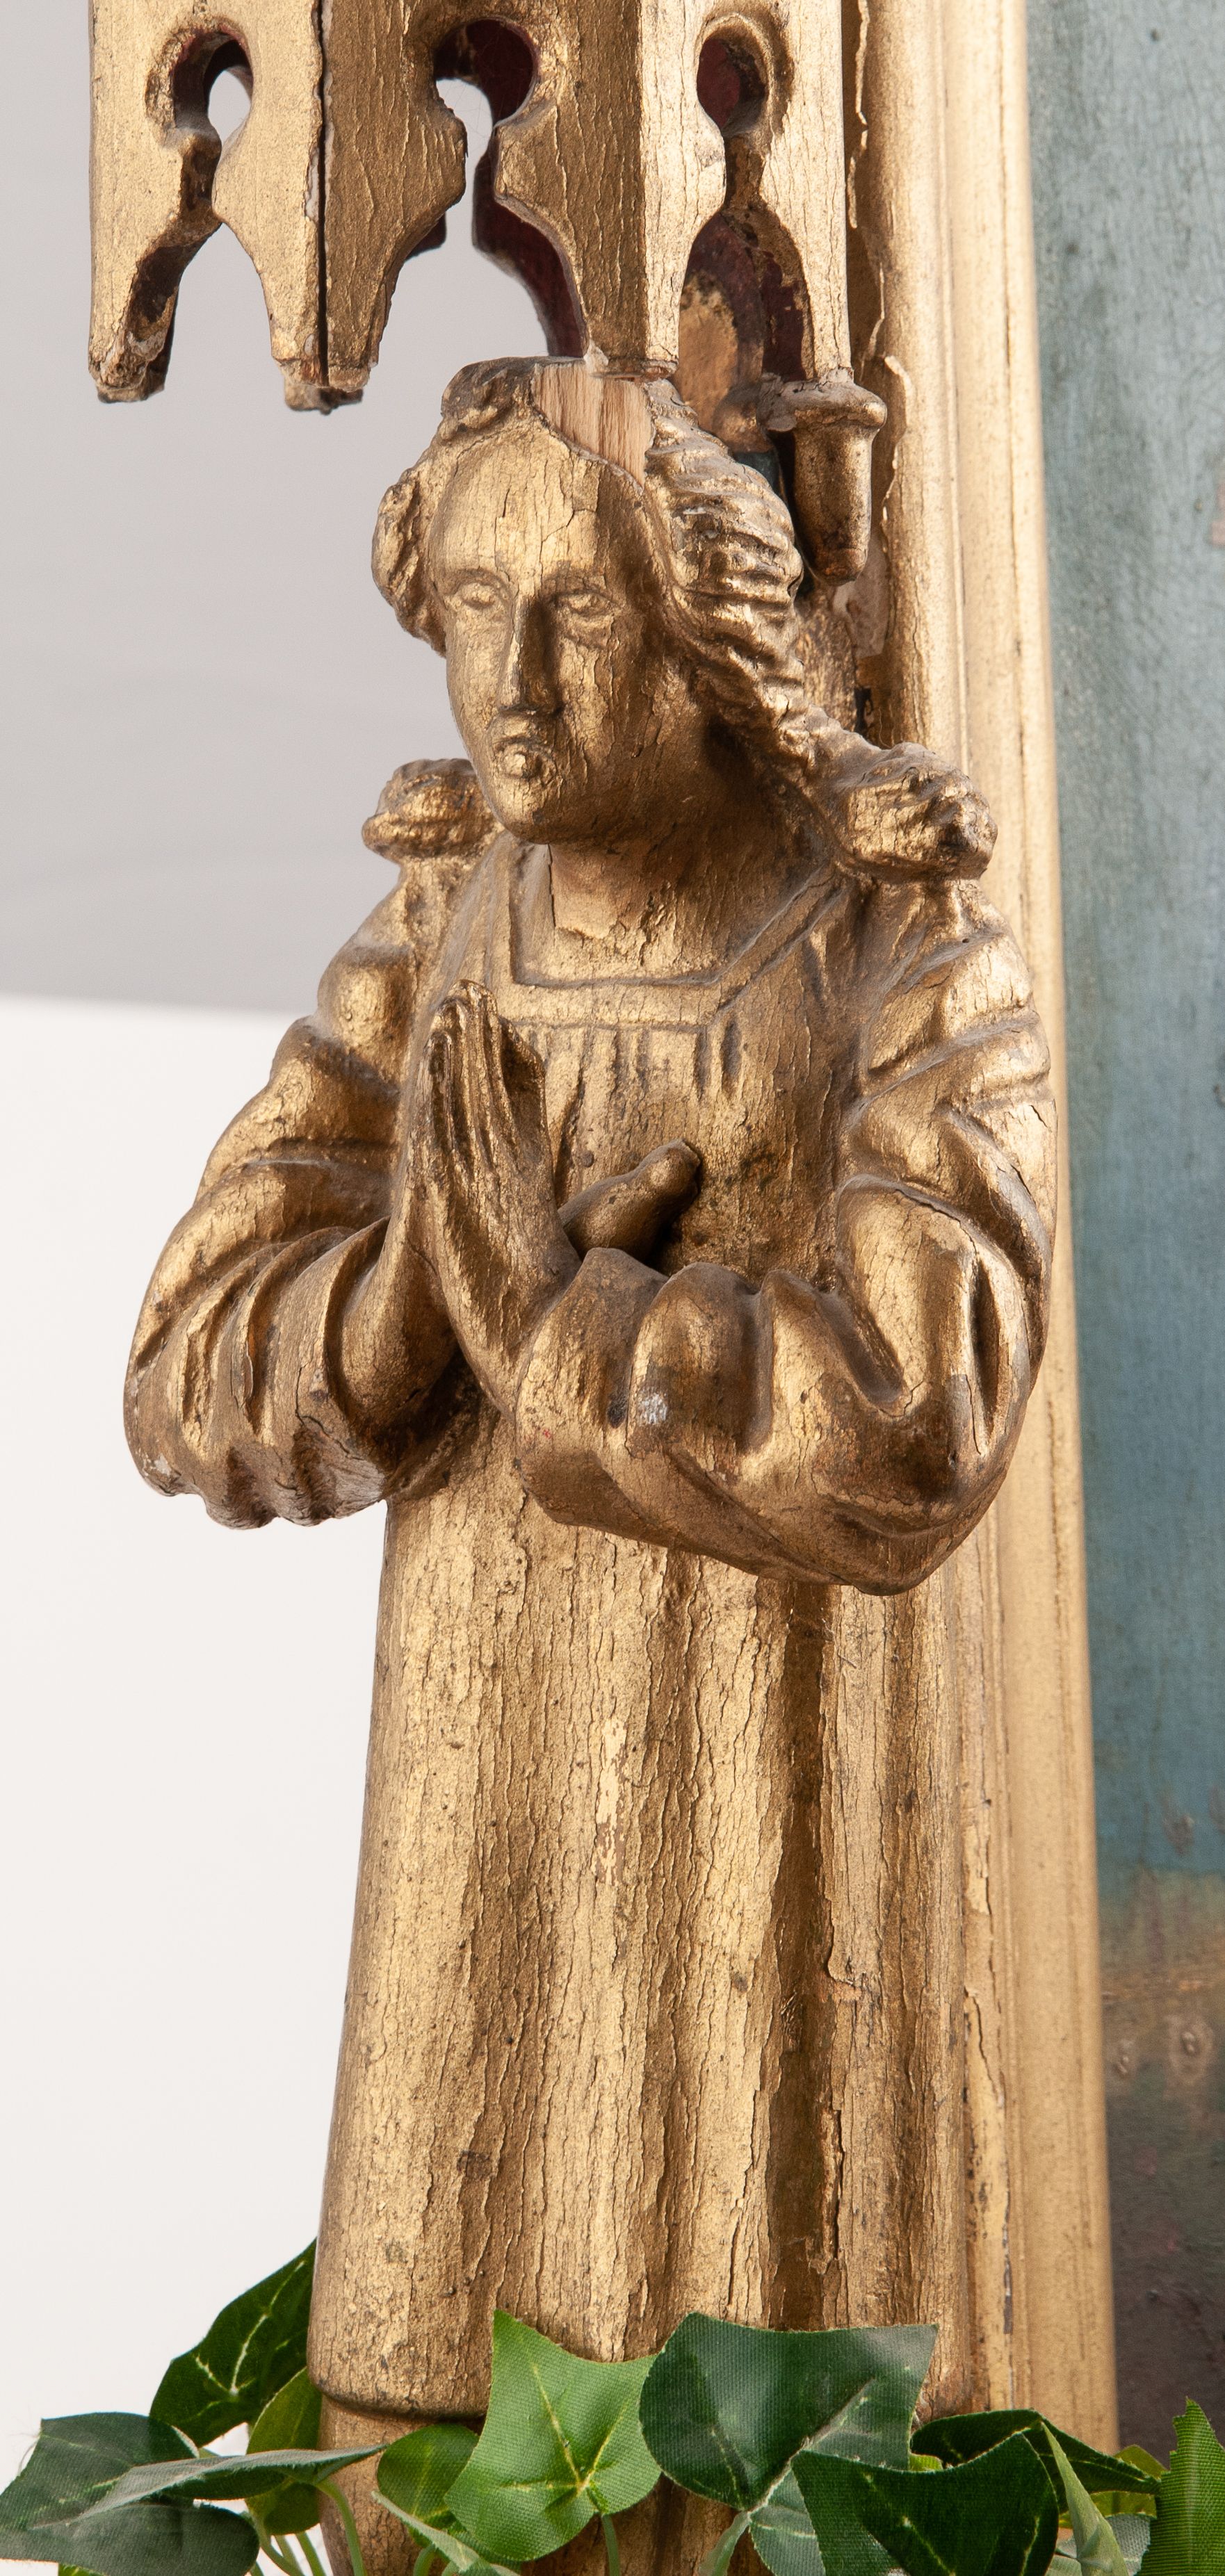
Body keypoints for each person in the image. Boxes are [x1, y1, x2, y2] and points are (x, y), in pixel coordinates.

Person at [126, 359, 1054, 2452]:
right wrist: (410, 1298)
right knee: (443, 2408)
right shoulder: (437, 939)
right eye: (474, 609)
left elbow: (920, 1409)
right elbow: (189, 1363)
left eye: (579, 613)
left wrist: (559, 1317)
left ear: (710, 630)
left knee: (788, 2424)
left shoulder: (895, 942)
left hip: (788, 1822)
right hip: (487, 1837)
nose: (512, 682)